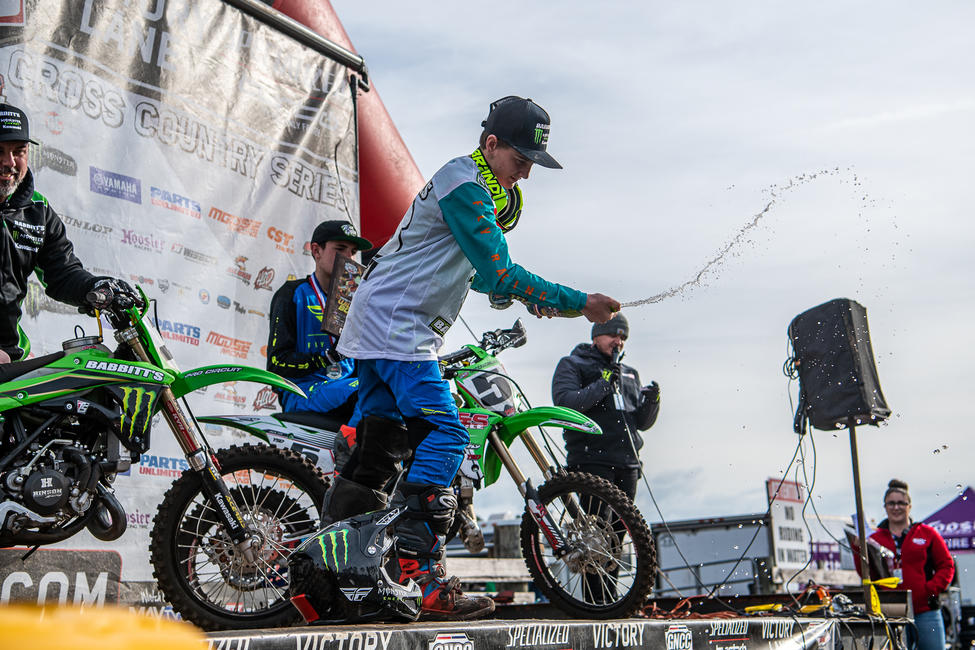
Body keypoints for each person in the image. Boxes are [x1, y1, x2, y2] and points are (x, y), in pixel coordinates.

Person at [331, 95, 621, 621]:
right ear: (490, 144)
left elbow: (487, 277)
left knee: (378, 450)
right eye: (520, 160)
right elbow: (498, 274)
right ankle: (423, 579)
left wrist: (529, 297)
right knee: (447, 436)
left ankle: (342, 576)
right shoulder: (465, 183)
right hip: (400, 329)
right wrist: (580, 304)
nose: (526, 174)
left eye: (533, 164)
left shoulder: (482, 185)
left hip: (383, 323)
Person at [0, 103, 131, 364]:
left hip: (10, 359)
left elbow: (63, 274)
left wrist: (94, 287)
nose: (9, 162)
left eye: (19, 151)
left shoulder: (39, 211)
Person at [266, 221, 371, 463]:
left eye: (353, 252)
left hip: (347, 390)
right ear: (316, 251)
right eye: (340, 249)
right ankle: (349, 454)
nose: (348, 258)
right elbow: (276, 363)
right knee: (369, 389)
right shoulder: (293, 293)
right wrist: (326, 357)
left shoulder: (356, 301)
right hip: (303, 392)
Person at [551, 312, 659, 501]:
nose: (618, 341)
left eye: (623, 337)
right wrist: (604, 383)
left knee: (621, 528)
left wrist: (652, 402)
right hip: (591, 460)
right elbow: (566, 405)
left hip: (628, 463)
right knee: (600, 525)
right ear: (596, 336)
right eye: (613, 335)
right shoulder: (573, 364)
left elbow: (641, 424)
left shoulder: (629, 373)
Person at [870, 479, 954, 650]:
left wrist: (930, 589)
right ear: (885, 506)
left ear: (909, 506)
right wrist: (858, 547)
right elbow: (868, 573)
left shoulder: (927, 533)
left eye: (901, 503)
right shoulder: (874, 538)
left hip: (925, 610)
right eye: (891, 503)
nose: (896, 507)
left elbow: (946, 565)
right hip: (889, 613)